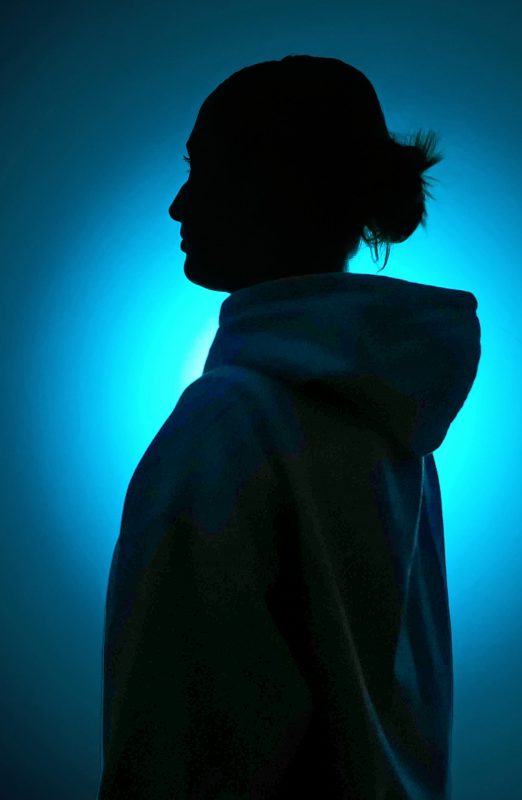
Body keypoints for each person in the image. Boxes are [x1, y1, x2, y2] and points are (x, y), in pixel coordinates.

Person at [97, 55, 481, 799]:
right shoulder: (398, 435)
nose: (177, 205)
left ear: (273, 185)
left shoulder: (227, 425)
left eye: (201, 168)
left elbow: (173, 748)